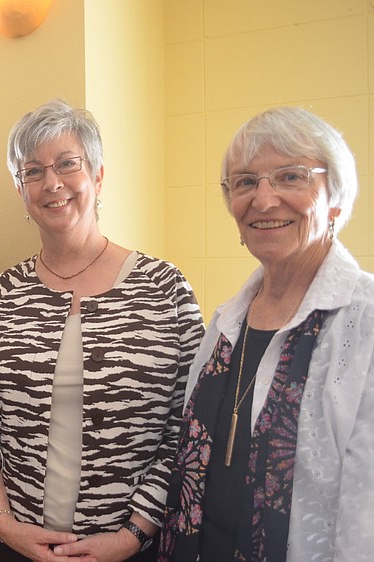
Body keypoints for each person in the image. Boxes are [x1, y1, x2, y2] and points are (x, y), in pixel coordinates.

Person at [0, 99, 205, 562]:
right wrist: (5, 526)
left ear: (98, 175)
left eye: (68, 164)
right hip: (17, 549)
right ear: (20, 190)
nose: (53, 183)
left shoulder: (165, 290)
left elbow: (188, 426)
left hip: (134, 550)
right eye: (33, 172)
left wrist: (132, 535)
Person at [158, 106, 374, 561]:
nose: (263, 199)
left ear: (335, 195)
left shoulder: (364, 323)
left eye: (290, 177)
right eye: (244, 182)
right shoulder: (225, 322)